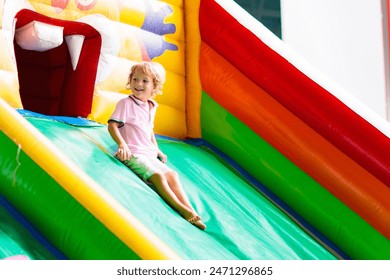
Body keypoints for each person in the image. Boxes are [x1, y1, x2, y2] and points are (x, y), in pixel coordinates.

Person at [108, 61, 206, 230]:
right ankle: (182, 210)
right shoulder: (126, 103)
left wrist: (156, 148)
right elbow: (112, 125)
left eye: (145, 81)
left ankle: (191, 209)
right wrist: (122, 145)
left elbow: (148, 129)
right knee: (158, 177)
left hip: (148, 152)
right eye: (135, 79)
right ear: (130, 81)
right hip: (133, 153)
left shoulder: (152, 106)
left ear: (154, 86)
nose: (139, 84)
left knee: (172, 175)